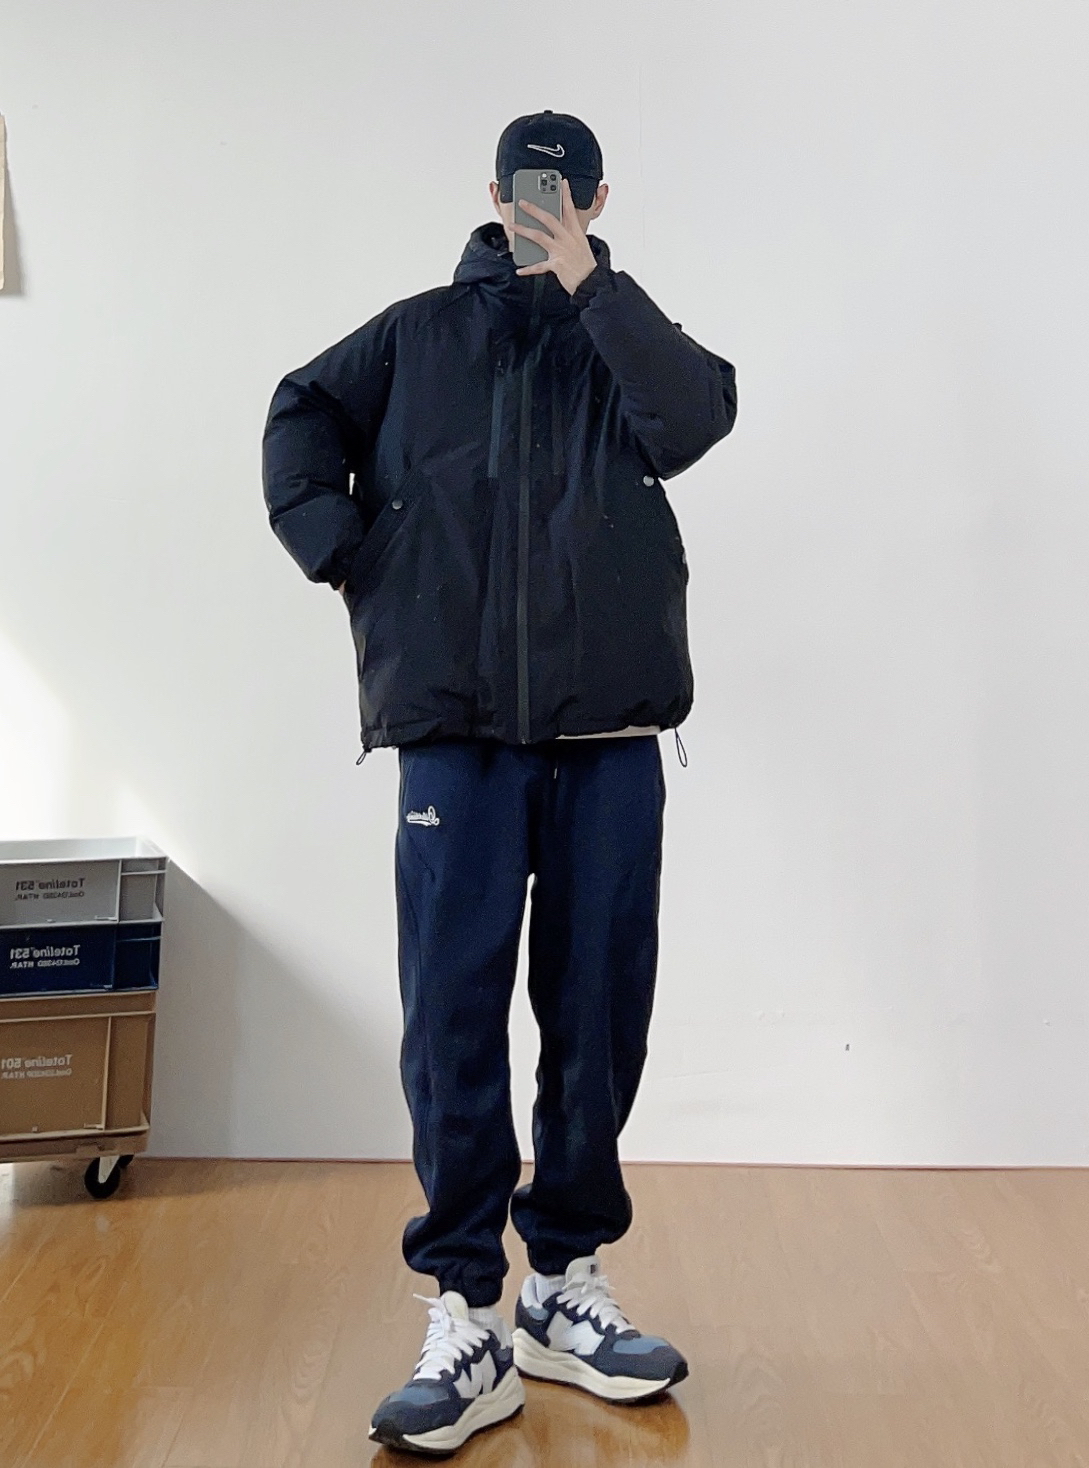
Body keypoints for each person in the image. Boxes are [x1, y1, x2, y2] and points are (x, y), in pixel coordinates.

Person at [262, 109, 737, 1457]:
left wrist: (591, 283)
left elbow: (697, 418)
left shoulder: (621, 337)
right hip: (454, 735)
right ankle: (465, 1310)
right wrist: (351, 552)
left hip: (606, 736)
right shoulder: (416, 334)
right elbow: (300, 412)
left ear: (596, 199)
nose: (547, 205)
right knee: (453, 1017)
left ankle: (565, 1286)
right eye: (530, 188)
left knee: (597, 1011)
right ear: (490, 190)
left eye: (568, 193)